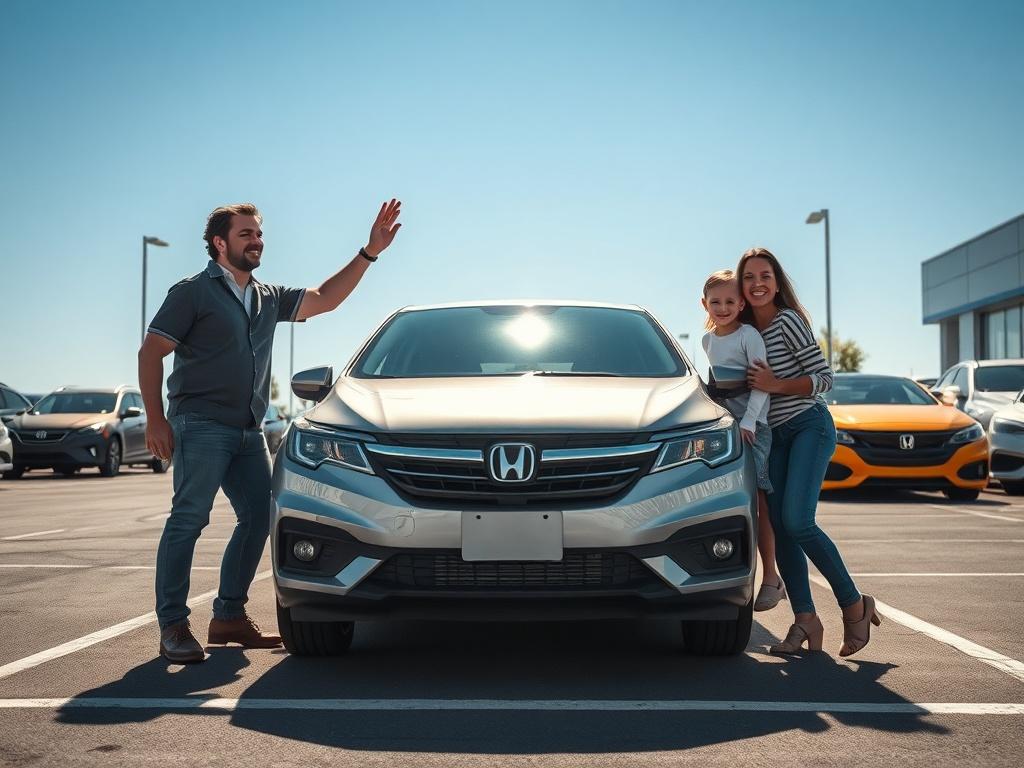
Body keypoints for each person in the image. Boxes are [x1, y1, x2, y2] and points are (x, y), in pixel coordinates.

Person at [138, 200, 402, 663]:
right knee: (188, 520)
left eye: (258, 234)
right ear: (220, 243)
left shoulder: (266, 296)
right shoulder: (192, 293)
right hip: (199, 424)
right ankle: (174, 626)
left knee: (259, 517)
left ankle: (228, 618)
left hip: (247, 430)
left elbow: (324, 299)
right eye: (246, 235)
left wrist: (369, 252)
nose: (256, 241)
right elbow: (150, 353)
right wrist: (156, 420)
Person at [738, 246, 881, 657]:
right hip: (773, 435)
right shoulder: (746, 332)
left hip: (809, 426)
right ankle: (805, 621)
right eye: (749, 277)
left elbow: (824, 378)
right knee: (782, 528)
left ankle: (854, 604)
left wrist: (775, 384)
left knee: (798, 522)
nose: (757, 283)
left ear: (777, 281)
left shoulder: (788, 322)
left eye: (765, 275)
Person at [700, 269, 784, 612]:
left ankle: (771, 576)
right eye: (715, 302)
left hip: (754, 426)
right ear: (704, 304)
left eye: (730, 301)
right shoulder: (707, 341)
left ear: (741, 303)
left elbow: (761, 382)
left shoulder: (748, 335)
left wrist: (749, 421)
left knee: (759, 498)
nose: (723, 307)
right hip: (727, 429)